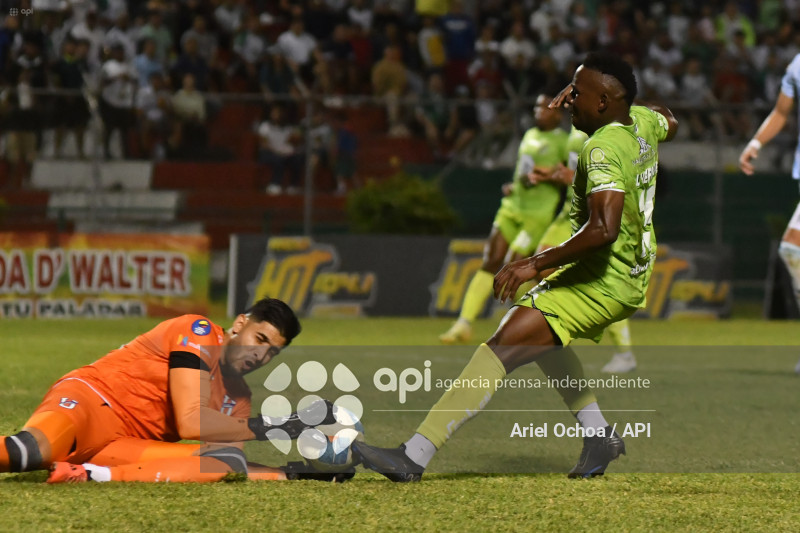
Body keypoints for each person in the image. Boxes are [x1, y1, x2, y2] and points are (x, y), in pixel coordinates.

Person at [354, 52, 678, 481]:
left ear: (603, 101)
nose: (568, 99)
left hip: (605, 280)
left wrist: (534, 264)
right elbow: (668, 117)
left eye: (578, 92)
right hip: (623, 271)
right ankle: (599, 435)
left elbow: (604, 228)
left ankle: (413, 457)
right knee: (545, 342)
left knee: (501, 346)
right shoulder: (641, 122)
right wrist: (612, 97)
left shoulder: (602, 147)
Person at [0, 298, 348, 483]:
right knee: (26, 452)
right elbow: (190, 422)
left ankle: (92, 475)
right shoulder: (198, 332)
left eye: (272, 351)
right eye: (259, 339)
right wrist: (283, 425)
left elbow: (231, 462)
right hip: (91, 403)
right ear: (240, 324)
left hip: (122, 446)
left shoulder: (239, 397)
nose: (261, 355)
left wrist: (298, 473)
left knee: (224, 462)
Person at [439, 92, 569, 344]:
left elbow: (570, 175)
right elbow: (524, 171)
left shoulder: (564, 142)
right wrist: (515, 185)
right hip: (512, 206)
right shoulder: (529, 135)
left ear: (557, 114)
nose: (538, 112)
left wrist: (547, 176)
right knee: (491, 260)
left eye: (545, 108)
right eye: (536, 107)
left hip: (537, 214)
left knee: (513, 269)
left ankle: (539, 322)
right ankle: (463, 324)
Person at [531, 126, 638, 373]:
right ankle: (558, 330)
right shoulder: (576, 126)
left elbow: (609, 177)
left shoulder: (601, 130)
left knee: (600, 282)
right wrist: (551, 174)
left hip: (592, 215)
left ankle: (624, 353)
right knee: (542, 265)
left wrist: (572, 178)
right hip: (569, 213)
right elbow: (574, 167)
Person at [738, 52, 800, 374]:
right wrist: (756, 143)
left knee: (792, 247)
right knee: (792, 250)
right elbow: (780, 112)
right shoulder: (797, 66)